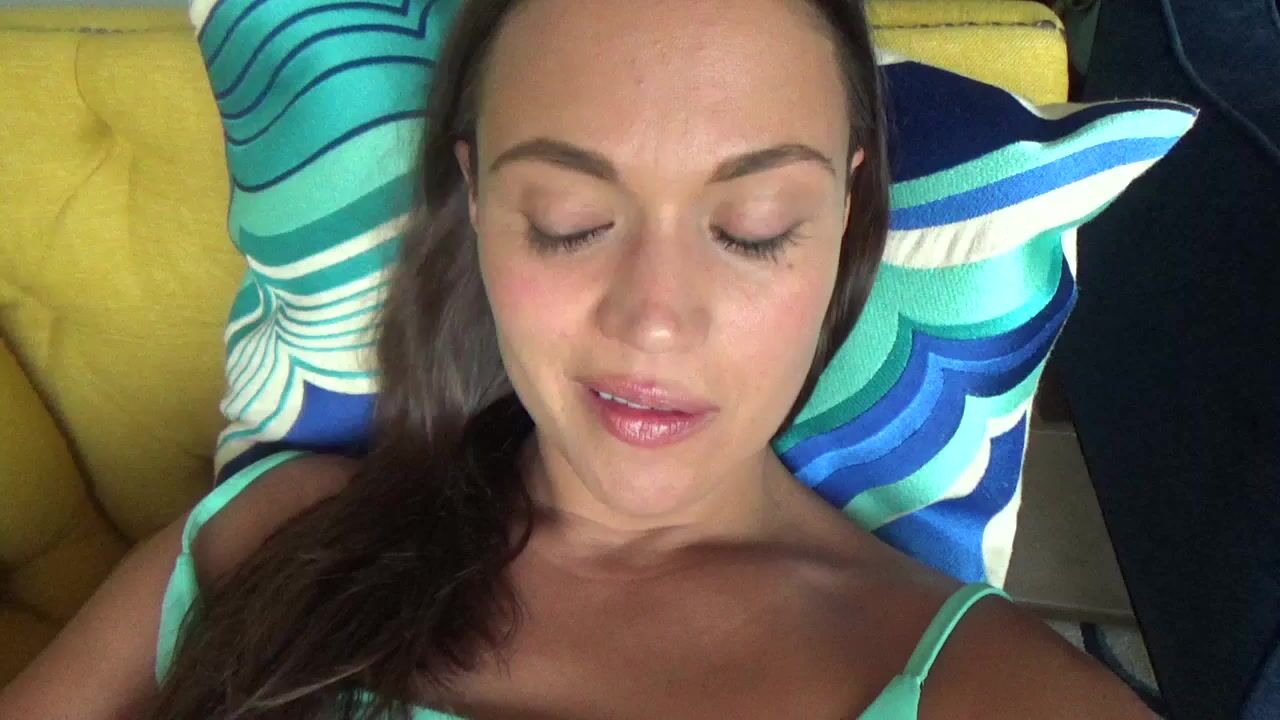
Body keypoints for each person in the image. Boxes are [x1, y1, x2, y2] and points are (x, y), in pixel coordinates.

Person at [0, 0, 1151, 717]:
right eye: (568, 220)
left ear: (846, 219)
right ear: (476, 205)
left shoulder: (991, 692)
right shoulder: (271, 537)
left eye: (751, 228)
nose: (653, 321)